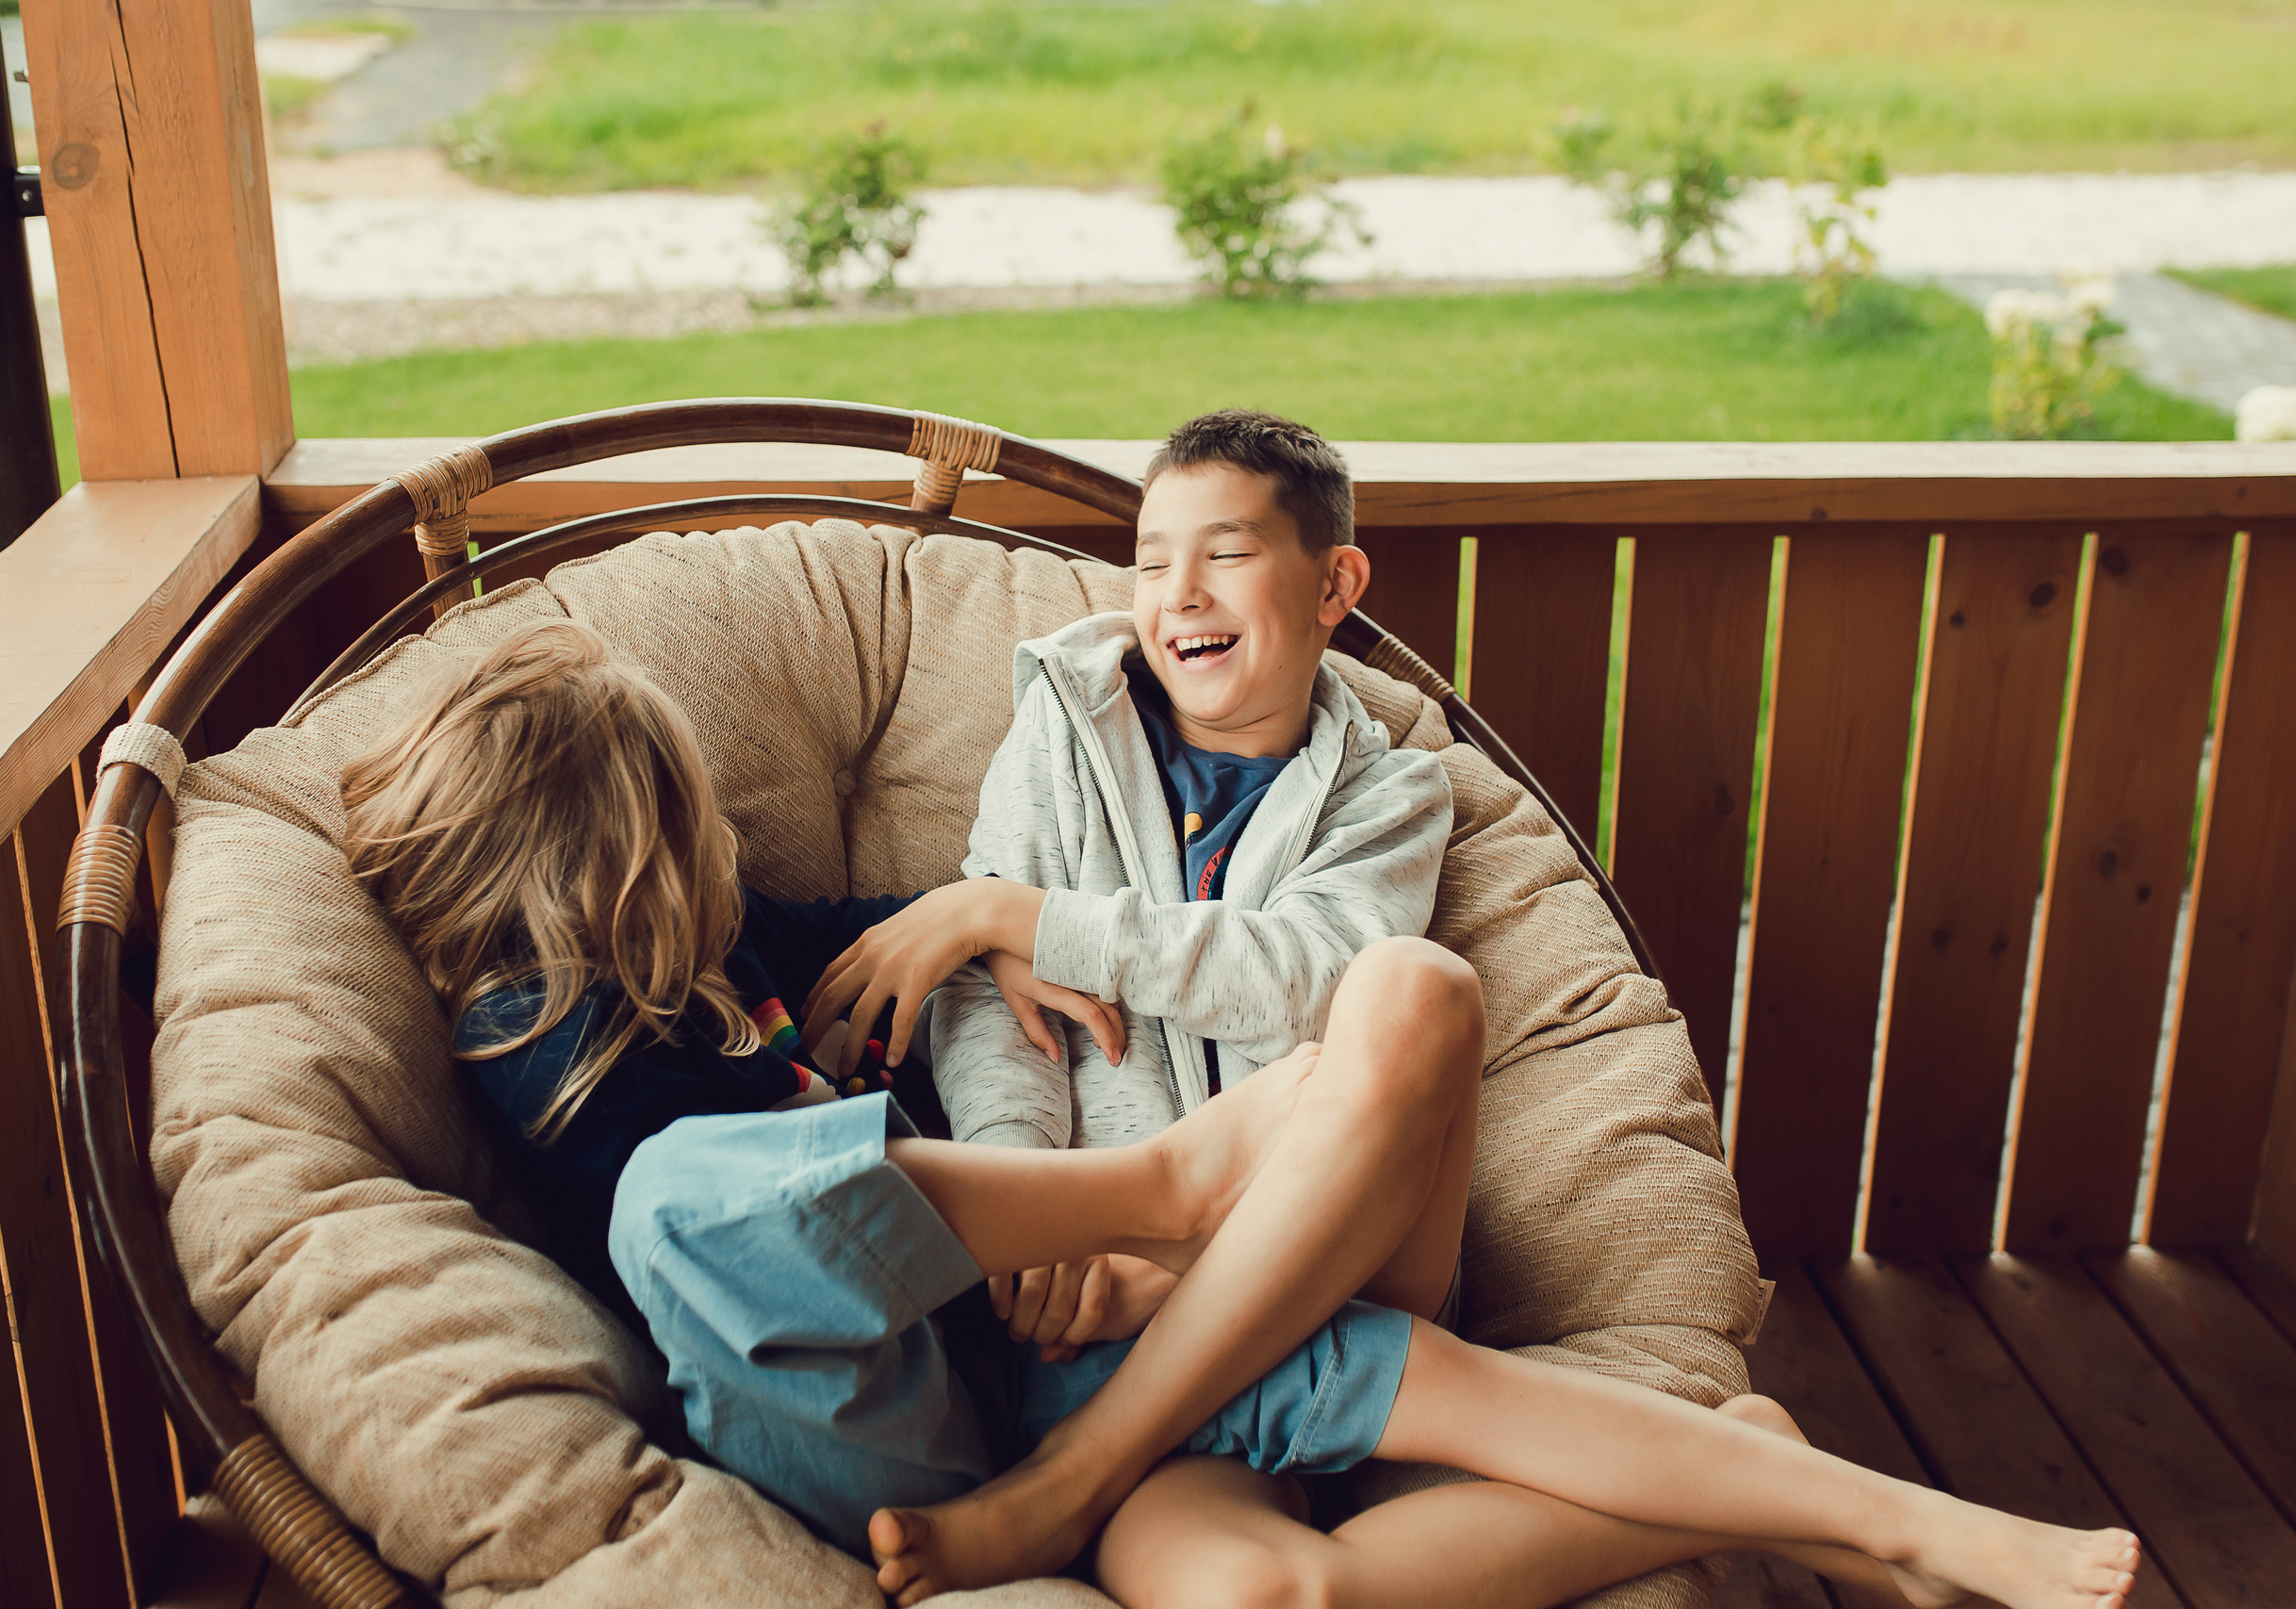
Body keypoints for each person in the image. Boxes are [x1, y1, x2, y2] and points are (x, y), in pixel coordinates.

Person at [343, 614, 2139, 1609]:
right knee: (694, 1199)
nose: (730, 864)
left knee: (1404, 1032)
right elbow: (732, 1230)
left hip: (1074, 1365)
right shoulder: (555, 1054)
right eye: (693, 842)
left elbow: (890, 952)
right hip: (886, 1418)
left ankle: (1874, 1512)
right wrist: (1115, 1194)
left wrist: (984, 924)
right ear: (609, 872)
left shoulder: (720, 944)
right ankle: (1180, 1182)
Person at [802, 411, 2140, 1609]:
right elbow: (998, 1017)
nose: (1178, 595)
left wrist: (1018, 911)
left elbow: (1300, 975)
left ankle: (1086, 1469)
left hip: (1339, 1249)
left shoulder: (1391, 793)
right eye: (1154, 559)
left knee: (1412, 985)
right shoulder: (1062, 729)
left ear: (1336, 585)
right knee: (1256, 1594)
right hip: (1114, 1291)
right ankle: (1750, 1474)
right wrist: (1041, 1198)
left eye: (1225, 554)